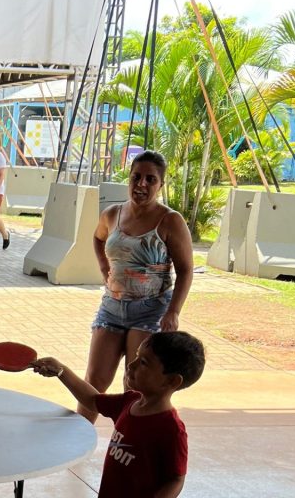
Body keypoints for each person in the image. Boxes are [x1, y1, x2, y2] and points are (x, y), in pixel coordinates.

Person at [81, 150, 193, 424]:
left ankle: (128, 438)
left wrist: (173, 312)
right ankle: (76, 437)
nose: (141, 184)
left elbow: (186, 270)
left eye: (150, 179)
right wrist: (104, 267)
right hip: (111, 308)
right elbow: (98, 238)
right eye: (136, 177)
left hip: (150, 311)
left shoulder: (170, 221)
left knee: (135, 385)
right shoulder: (112, 214)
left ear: (160, 184)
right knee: (94, 380)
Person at [30, 331, 205, 498]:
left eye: (143, 362)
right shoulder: (129, 401)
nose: (131, 365)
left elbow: (176, 479)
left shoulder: (171, 429)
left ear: (171, 381)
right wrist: (61, 371)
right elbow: (92, 399)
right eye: (136, 357)